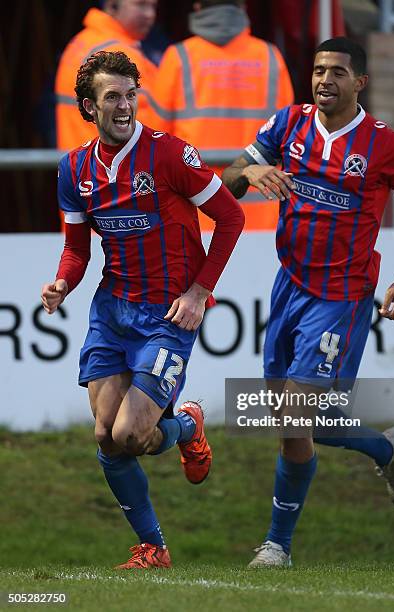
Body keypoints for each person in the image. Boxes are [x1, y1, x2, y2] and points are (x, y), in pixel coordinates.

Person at [222, 37, 394, 567]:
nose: (324, 81)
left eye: (337, 72)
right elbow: (227, 179)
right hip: (289, 283)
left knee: (297, 414)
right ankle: (387, 449)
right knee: (291, 419)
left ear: (359, 83)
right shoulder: (288, 125)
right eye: (318, 71)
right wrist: (249, 173)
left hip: (341, 297)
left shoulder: (388, 146)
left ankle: (277, 546)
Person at [42, 50, 244, 569]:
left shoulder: (171, 155)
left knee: (132, 435)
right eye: (113, 97)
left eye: (132, 95)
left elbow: (231, 217)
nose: (126, 105)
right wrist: (63, 283)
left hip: (167, 316)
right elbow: (77, 248)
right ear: (89, 106)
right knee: (108, 439)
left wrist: (200, 292)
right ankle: (153, 547)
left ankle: (188, 427)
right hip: (112, 312)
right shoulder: (75, 168)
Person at [153, 0, 294, 231]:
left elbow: (154, 140)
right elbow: (289, 134)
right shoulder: (270, 57)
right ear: (243, 7)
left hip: (198, 209)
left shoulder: (178, 57)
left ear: (197, 7)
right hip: (262, 212)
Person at [55, 0, 162, 151]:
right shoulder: (118, 53)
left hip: (82, 163)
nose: (150, 14)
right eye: (141, 5)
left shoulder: (82, 42)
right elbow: (146, 124)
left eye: (153, 6)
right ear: (112, 5)